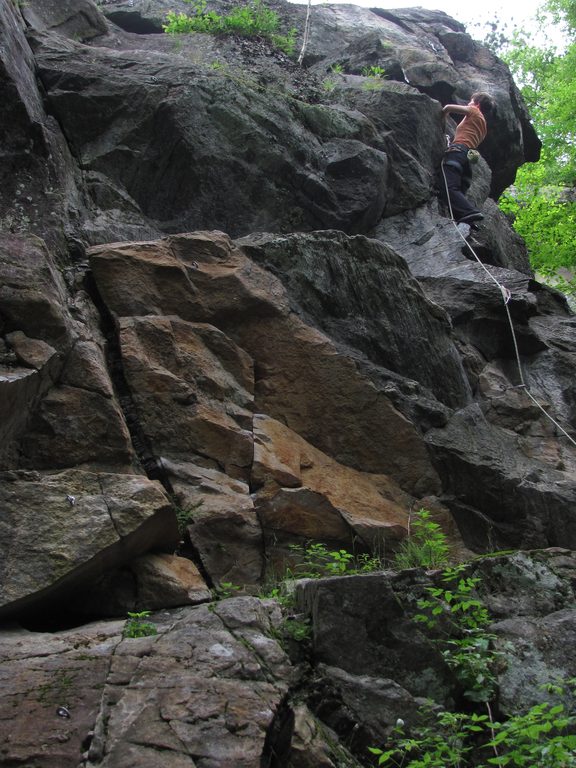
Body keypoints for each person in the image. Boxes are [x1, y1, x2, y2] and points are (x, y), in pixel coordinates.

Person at [440, 92, 495, 225]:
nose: (468, 104)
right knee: (458, 191)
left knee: (447, 186)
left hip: (458, 151)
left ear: (477, 103)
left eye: (470, 101)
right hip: (469, 160)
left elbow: (447, 108)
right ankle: (466, 220)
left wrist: (441, 124)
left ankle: (470, 212)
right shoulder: (483, 127)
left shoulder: (474, 111)